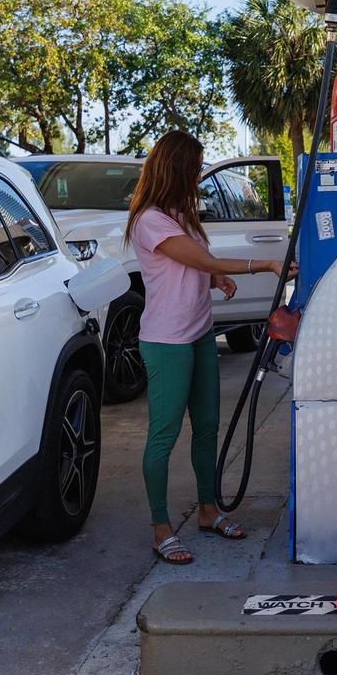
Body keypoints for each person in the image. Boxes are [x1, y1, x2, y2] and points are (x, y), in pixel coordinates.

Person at [125, 130, 296, 565]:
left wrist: (215, 279)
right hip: (166, 340)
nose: (200, 176)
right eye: (196, 167)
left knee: (207, 427)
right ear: (177, 168)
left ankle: (207, 510)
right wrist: (266, 263)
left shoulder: (181, 216)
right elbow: (201, 259)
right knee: (163, 435)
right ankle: (161, 527)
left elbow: (195, 267)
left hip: (200, 332)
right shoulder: (150, 220)